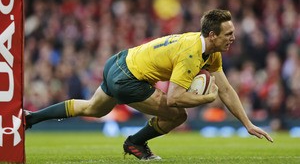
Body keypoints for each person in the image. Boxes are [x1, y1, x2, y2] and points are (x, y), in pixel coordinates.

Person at [25, 9, 273, 160]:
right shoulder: (191, 54)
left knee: (93, 109)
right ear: (212, 35)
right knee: (177, 115)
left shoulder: (211, 51)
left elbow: (227, 90)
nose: (233, 37)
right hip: (128, 79)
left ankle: (30, 118)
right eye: (228, 34)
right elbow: (175, 98)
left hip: (119, 61)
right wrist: (206, 99)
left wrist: (247, 124)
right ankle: (135, 142)